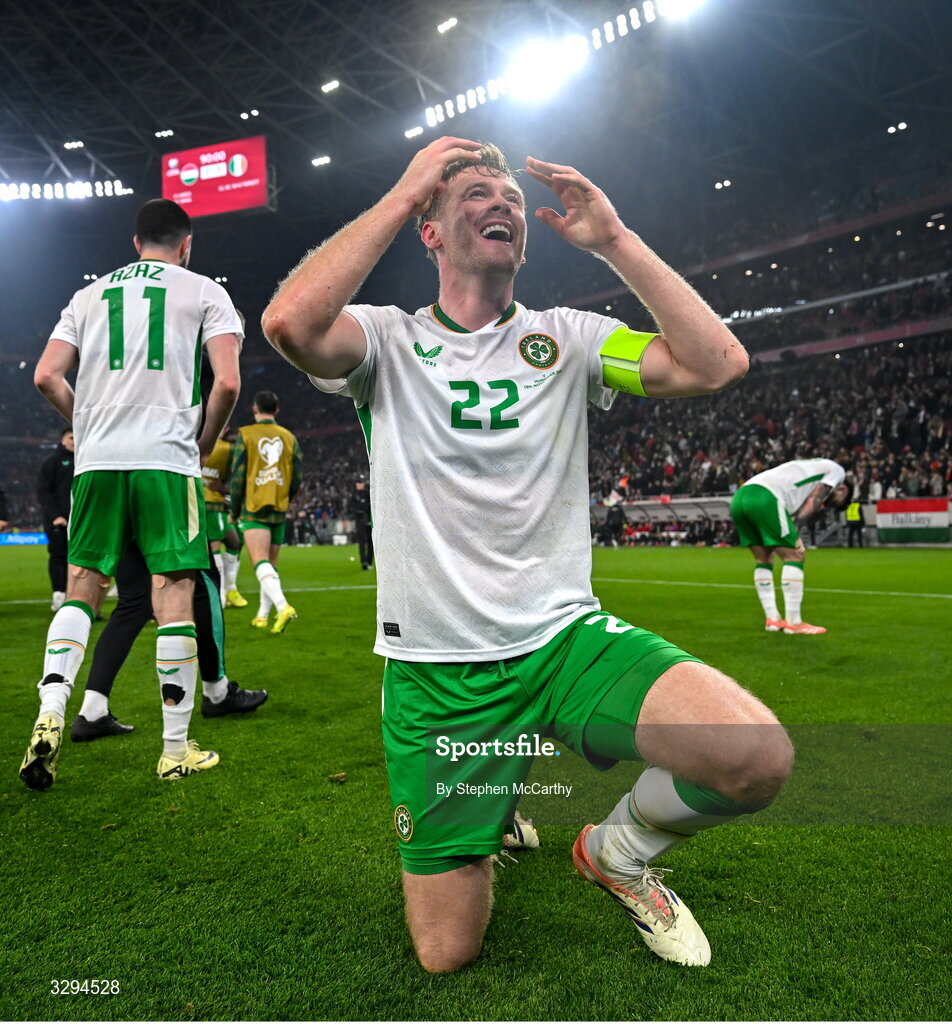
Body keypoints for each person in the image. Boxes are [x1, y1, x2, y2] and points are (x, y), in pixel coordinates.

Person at [262, 137, 792, 972]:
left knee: (756, 759)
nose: (501, 202)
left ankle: (615, 851)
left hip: (563, 642)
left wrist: (614, 239)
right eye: (473, 192)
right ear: (430, 231)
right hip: (439, 674)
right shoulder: (384, 342)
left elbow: (717, 363)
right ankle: (499, 783)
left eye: (508, 194)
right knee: (446, 954)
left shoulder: (571, 338)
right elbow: (291, 323)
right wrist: (405, 192)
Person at [19, 197, 241, 790]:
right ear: (186, 243)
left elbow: (45, 374)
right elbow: (227, 380)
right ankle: (175, 748)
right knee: (173, 593)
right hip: (166, 460)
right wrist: (203, 441)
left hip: (96, 465)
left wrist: (87, 427)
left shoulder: (86, 297)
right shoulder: (203, 291)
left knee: (82, 587)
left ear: (134, 241)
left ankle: (51, 714)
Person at [70, 540, 268, 742]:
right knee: (198, 583)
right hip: (167, 514)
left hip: (119, 513)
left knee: (133, 603)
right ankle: (215, 694)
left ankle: (91, 709)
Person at [730, 458, 849, 635]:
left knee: (764, 558)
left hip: (740, 497)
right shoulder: (837, 472)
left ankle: (773, 620)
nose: (828, 503)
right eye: (836, 501)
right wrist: (796, 532)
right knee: (795, 555)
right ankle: (794, 622)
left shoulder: (811, 468)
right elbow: (814, 500)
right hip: (765, 496)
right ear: (842, 489)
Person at [229, 391, 302, 633]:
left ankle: (283, 607)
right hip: (279, 507)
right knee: (271, 563)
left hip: (254, 507)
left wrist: (235, 509)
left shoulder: (246, 435)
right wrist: (285, 497)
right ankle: (262, 615)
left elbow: (238, 476)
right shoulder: (289, 437)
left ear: (254, 409)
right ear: (277, 410)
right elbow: (298, 477)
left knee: (259, 561)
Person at [202, 426, 246, 608]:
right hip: (210, 504)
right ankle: (218, 594)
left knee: (235, 542)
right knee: (214, 546)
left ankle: (230, 589)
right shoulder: (222, 450)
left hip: (222, 505)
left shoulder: (216, 447)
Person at [37, 427, 74, 611]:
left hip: (80, 521)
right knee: (59, 556)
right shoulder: (52, 462)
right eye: (71, 437)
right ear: (62, 441)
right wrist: (55, 516)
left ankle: (83, 600)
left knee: (82, 561)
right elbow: (44, 492)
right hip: (58, 522)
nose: (74, 441)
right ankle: (59, 595)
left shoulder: (85, 461)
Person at [352, 474, 373, 569]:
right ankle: (364, 561)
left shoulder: (368, 494)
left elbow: (372, 507)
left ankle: (369, 561)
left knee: (370, 542)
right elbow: (351, 507)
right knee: (361, 541)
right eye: (358, 482)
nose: (359, 484)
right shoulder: (353, 495)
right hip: (360, 521)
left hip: (368, 520)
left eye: (360, 482)